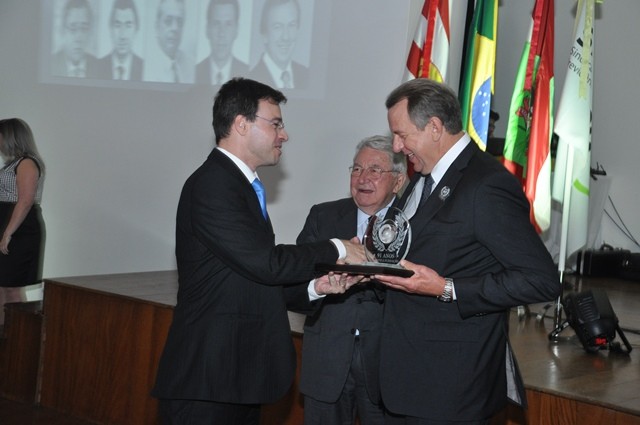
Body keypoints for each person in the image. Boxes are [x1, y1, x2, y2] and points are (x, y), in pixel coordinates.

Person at [151, 77, 367, 425]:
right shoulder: (213, 184)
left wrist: (316, 287)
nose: (284, 135)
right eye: (276, 124)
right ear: (241, 123)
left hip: (235, 375)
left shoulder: (239, 184)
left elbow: (251, 278)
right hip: (207, 377)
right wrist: (338, 246)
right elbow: (266, 263)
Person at [373, 78, 560, 424]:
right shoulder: (423, 177)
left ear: (434, 127)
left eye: (401, 135)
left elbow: (541, 280)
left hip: (450, 390)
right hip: (406, 381)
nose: (396, 147)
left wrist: (446, 288)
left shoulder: (486, 184)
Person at [297, 135, 407, 425]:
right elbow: (297, 279)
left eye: (375, 170)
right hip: (326, 360)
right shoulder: (323, 216)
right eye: (357, 169)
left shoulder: (413, 224)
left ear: (398, 181)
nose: (362, 178)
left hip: (387, 363)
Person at [0, 119, 45, 326]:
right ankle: (5, 334)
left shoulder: (27, 163)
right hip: (8, 224)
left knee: (11, 286)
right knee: (3, 285)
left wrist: (8, 233)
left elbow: (25, 201)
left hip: (20, 229)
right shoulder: (13, 163)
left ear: (10, 137)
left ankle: (16, 335)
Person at [249, 0, 309, 89]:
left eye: (291, 25)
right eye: (277, 27)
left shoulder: (308, 76)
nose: (286, 37)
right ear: (264, 34)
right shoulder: (250, 82)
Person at [195, 0, 249, 85]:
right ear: (207, 29)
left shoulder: (248, 74)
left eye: (228, 24)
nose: (221, 33)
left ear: (236, 30)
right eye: (216, 23)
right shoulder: (194, 73)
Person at [145, 0, 195, 83]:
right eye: (168, 21)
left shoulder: (191, 64)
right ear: (157, 26)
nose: (175, 28)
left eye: (179, 22)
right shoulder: (145, 65)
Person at [96, 0, 144, 81]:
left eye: (128, 26)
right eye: (117, 25)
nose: (122, 35)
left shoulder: (144, 68)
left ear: (136, 30)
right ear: (110, 29)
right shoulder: (97, 67)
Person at [51, 0, 99, 78]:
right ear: (62, 30)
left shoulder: (99, 67)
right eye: (73, 29)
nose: (78, 38)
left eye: (84, 28)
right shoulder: (50, 64)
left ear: (90, 32)